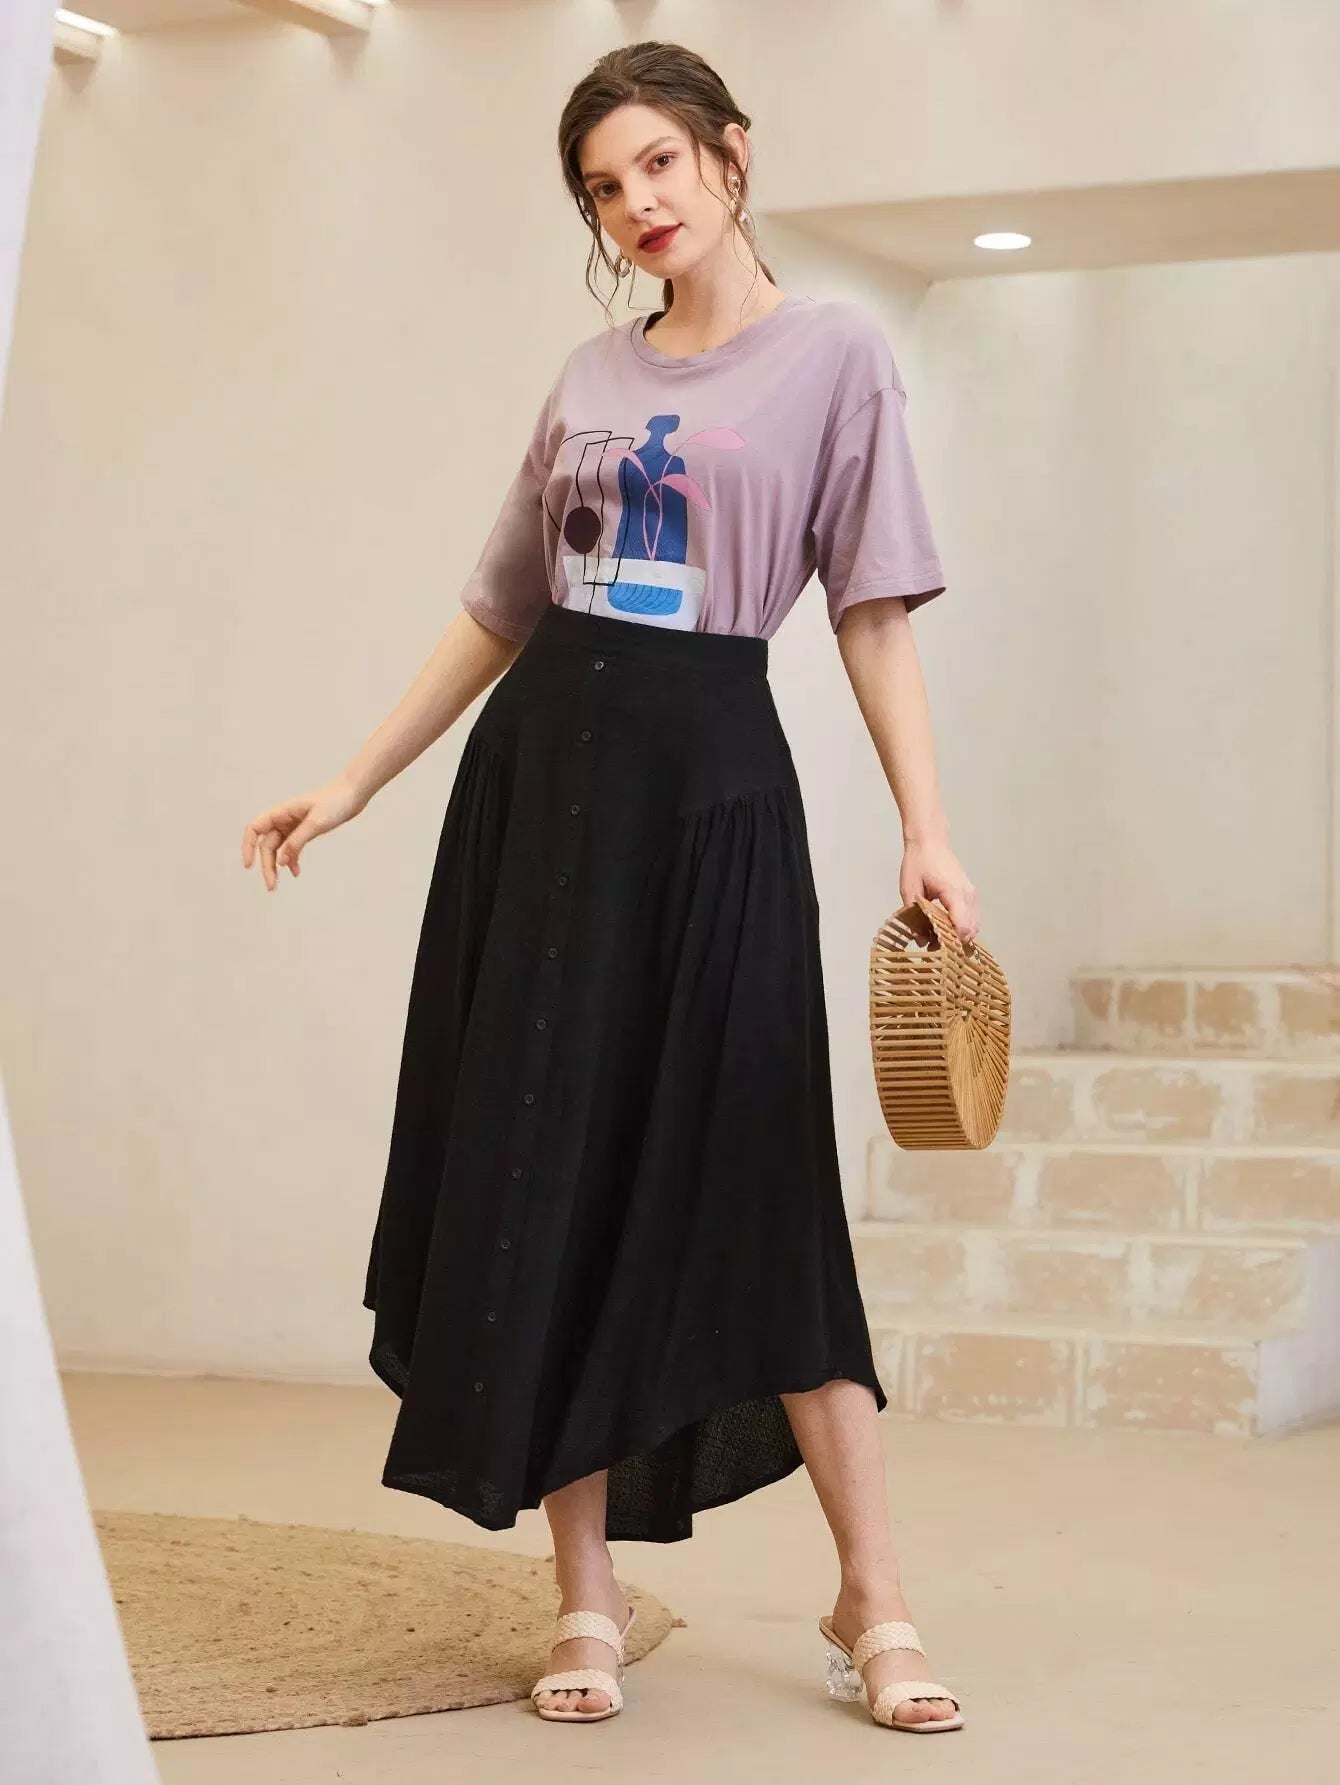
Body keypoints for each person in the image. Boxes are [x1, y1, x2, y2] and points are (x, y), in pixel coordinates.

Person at [241, 39, 977, 1737]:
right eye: (601, 187)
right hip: (545, 799)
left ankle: (872, 1592)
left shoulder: (836, 356)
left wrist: (927, 826)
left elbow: (870, 610)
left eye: (656, 163)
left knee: (768, 1180)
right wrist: (355, 779)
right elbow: (501, 606)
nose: (634, 203)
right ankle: (585, 1594)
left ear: (729, 153)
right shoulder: (586, 375)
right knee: (543, 1171)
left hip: (714, 794)